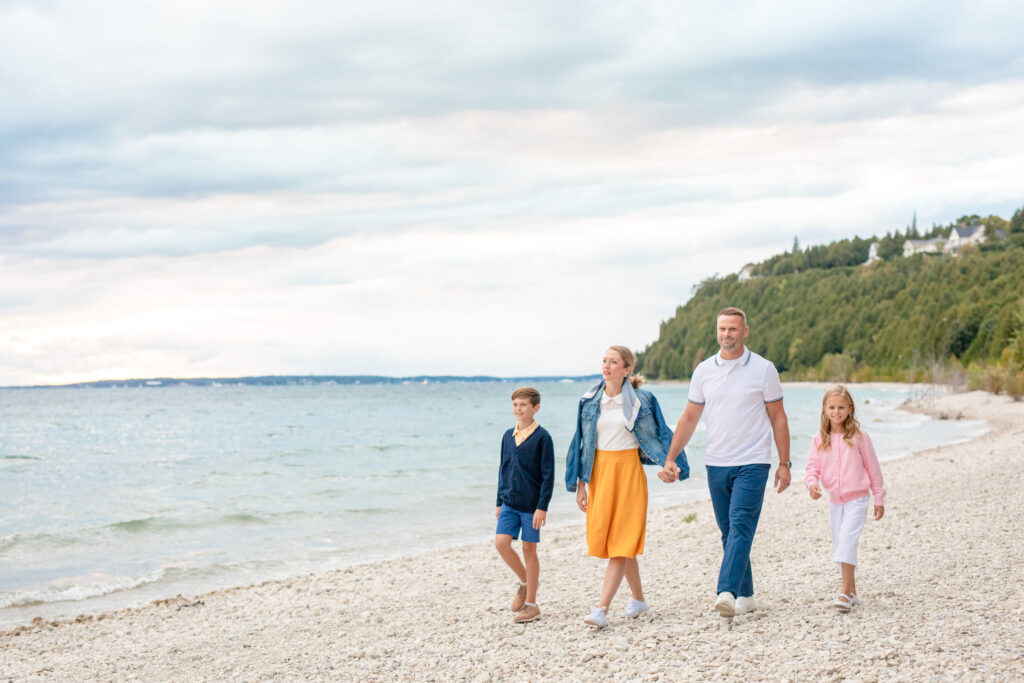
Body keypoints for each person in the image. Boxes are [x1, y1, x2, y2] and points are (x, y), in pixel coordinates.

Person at [659, 307, 791, 619]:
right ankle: (746, 594)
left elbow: (778, 417)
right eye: (722, 329)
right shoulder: (704, 370)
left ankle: (726, 591)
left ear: (745, 331)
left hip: (754, 461)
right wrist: (671, 457)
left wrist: (784, 463)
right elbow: (690, 417)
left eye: (733, 329)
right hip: (716, 462)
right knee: (728, 530)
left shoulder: (763, 369)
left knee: (741, 525)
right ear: (716, 331)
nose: (727, 334)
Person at [566, 345, 689, 628]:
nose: (607, 366)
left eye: (614, 362)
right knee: (612, 539)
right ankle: (639, 600)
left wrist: (671, 463)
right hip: (600, 474)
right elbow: (580, 444)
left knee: (620, 543)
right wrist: (580, 484)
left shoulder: (642, 400)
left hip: (628, 473)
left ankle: (601, 609)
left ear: (627, 369)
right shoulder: (589, 401)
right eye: (604, 361)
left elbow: (661, 432)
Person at [805, 385, 886, 612]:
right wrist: (812, 484)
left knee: (847, 542)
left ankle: (844, 593)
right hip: (835, 501)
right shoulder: (819, 439)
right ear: (824, 409)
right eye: (831, 407)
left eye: (841, 407)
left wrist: (878, 497)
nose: (836, 412)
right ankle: (852, 592)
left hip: (858, 499)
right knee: (840, 544)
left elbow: (873, 469)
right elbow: (812, 468)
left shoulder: (860, 437)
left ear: (849, 409)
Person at [495, 386, 555, 624]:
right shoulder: (507, 435)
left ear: (535, 408)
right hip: (509, 502)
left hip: (531, 506)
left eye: (523, 405)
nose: (518, 409)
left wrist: (542, 507)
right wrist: (499, 500)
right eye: (515, 405)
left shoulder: (543, 438)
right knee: (501, 544)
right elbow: (503, 469)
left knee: (529, 550)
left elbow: (548, 475)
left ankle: (531, 605)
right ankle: (525, 582)